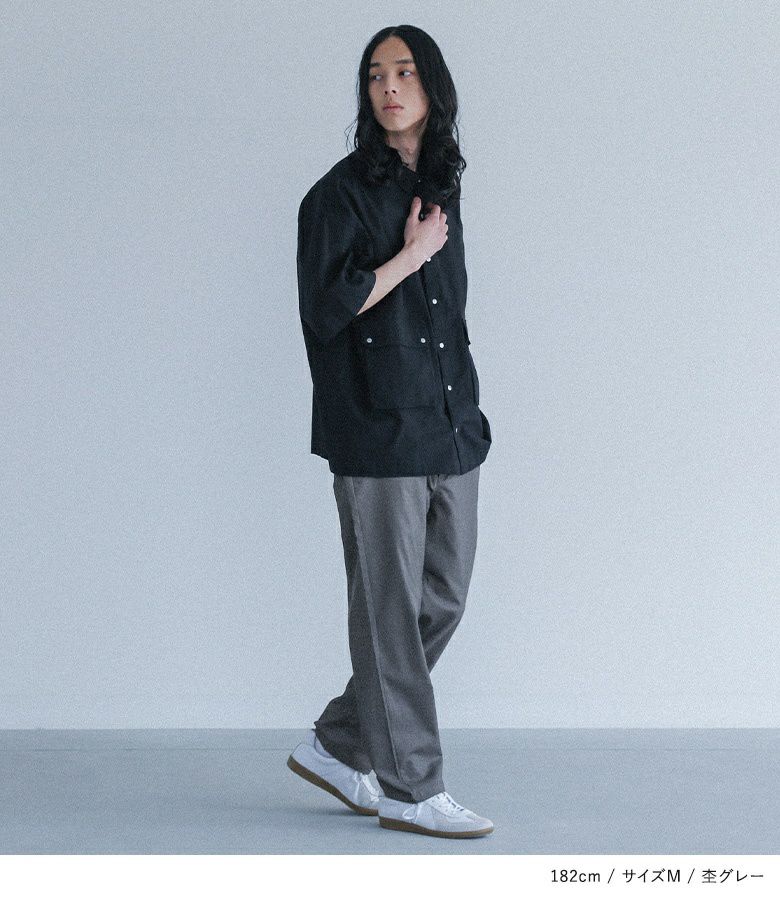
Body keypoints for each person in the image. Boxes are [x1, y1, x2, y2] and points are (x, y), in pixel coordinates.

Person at [287, 25, 493, 839]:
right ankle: (411, 787)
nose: (389, 87)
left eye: (404, 72)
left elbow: (451, 316)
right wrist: (408, 258)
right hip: (376, 432)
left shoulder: (441, 190)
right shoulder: (334, 198)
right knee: (389, 616)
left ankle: (340, 741)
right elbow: (324, 311)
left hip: (449, 426)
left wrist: (466, 410)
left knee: (441, 599)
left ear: (432, 87)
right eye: (376, 75)